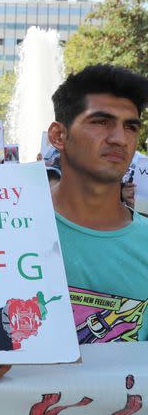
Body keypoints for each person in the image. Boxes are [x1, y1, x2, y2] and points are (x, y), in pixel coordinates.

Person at [48, 64, 148, 343]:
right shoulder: (4, 231)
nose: (119, 139)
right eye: (100, 122)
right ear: (59, 136)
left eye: (131, 126)